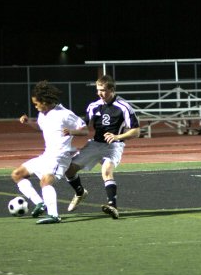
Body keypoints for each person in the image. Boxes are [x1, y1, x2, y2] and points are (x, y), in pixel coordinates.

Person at [11, 80, 88, 224]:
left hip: (61, 157)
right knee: (17, 174)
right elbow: (42, 128)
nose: (35, 107)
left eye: (36, 104)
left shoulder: (65, 114)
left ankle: (54, 215)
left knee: (45, 181)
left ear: (45, 101)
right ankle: (40, 203)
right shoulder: (43, 114)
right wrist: (29, 122)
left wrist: (71, 131)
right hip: (47, 156)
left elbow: (85, 130)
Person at [65, 74, 140, 219]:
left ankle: (113, 206)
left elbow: (136, 131)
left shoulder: (124, 107)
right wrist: (70, 131)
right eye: (98, 90)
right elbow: (84, 128)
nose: (100, 93)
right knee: (69, 170)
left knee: (106, 171)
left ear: (112, 89)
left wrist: (118, 136)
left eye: (103, 90)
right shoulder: (94, 106)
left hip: (114, 146)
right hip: (95, 144)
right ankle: (80, 192)